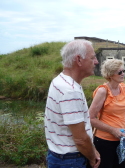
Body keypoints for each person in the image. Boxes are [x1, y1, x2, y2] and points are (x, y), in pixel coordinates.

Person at [44, 39, 100, 168]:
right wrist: (92, 158)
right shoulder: (70, 91)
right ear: (79, 60)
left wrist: (92, 148)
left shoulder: (59, 81)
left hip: (59, 156)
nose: (96, 62)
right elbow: (80, 139)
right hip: (71, 160)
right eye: (92, 58)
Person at [89, 59, 125, 168]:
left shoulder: (123, 87)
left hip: (121, 140)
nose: (123, 74)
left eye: (123, 71)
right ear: (110, 75)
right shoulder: (103, 91)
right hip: (105, 142)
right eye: (119, 72)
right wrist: (112, 130)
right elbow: (91, 118)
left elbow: (124, 110)